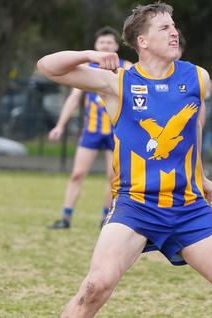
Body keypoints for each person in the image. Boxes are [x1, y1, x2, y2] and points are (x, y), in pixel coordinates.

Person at [36, 3, 212, 318]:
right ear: (142, 41)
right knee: (95, 287)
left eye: (173, 26)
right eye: (164, 28)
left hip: (188, 206)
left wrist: (200, 172)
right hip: (135, 206)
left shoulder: (198, 78)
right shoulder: (116, 83)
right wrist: (92, 54)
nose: (174, 32)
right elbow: (47, 67)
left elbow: (196, 122)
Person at [47, 27, 132, 229]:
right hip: (92, 131)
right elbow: (74, 98)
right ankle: (65, 217)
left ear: (116, 46)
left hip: (115, 132)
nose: (105, 46)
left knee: (113, 178)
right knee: (77, 174)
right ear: (95, 46)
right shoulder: (86, 68)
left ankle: (106, 218)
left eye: (109, 43)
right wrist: (60, 125)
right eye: (102, 43)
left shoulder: (125, 67)